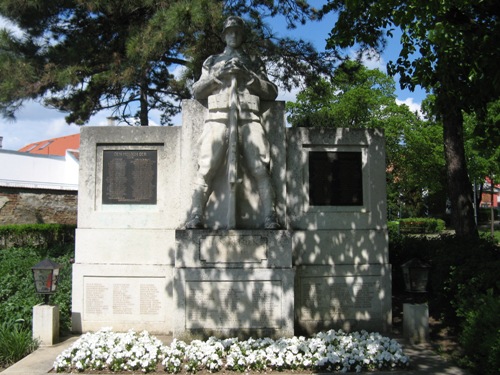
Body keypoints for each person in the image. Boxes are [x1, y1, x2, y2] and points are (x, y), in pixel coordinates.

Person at [186, 16, 280, 229]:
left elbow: (271, 92)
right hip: (218, 116)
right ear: (224, 35)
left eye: (237, 32)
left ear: (242, 35)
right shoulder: (212, 62)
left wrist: (249, 77)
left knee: (260, 167)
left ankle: (270, 217)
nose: (234, 35)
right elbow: (197, 91)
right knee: (207, 167)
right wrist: (218, 75)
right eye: (230, 32)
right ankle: (195, 215)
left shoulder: (253, 62)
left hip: (248, 116)